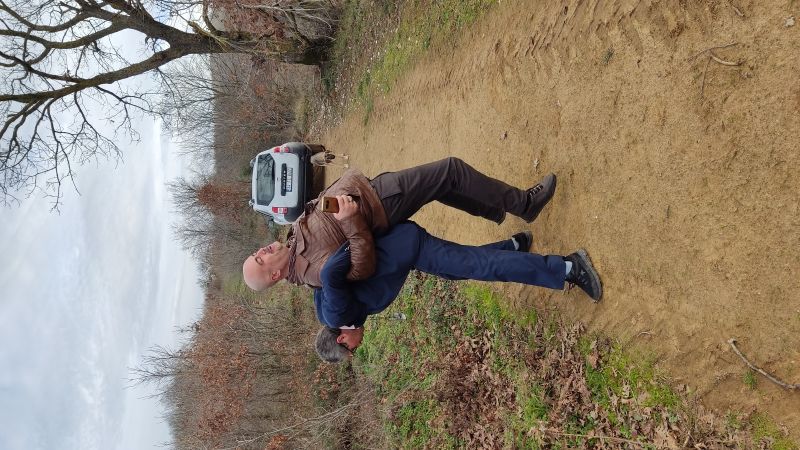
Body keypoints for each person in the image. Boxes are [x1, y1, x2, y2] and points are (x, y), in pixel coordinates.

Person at [242, 157, 557, 291]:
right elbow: (360, 268)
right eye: (260, 259)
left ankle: (494, 209)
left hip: (374, 193)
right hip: (382, 205)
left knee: (442, 184)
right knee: (451, 171)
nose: (262, 250)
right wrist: (351, 220)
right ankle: (524, 204)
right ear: (274, 274)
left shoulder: (293, 241)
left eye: (256, 252)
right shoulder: (311, 271)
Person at [308, 219, 601, 362]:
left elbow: (328, 273)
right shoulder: (329, 309)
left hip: (407, 246)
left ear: (342, 339)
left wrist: (359, 238)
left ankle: (568, 267)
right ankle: (512, 247)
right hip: (406, 252)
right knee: (459, 269)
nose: (358, 346)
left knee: (482, 266)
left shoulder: (336, 314)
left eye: (352, 350)